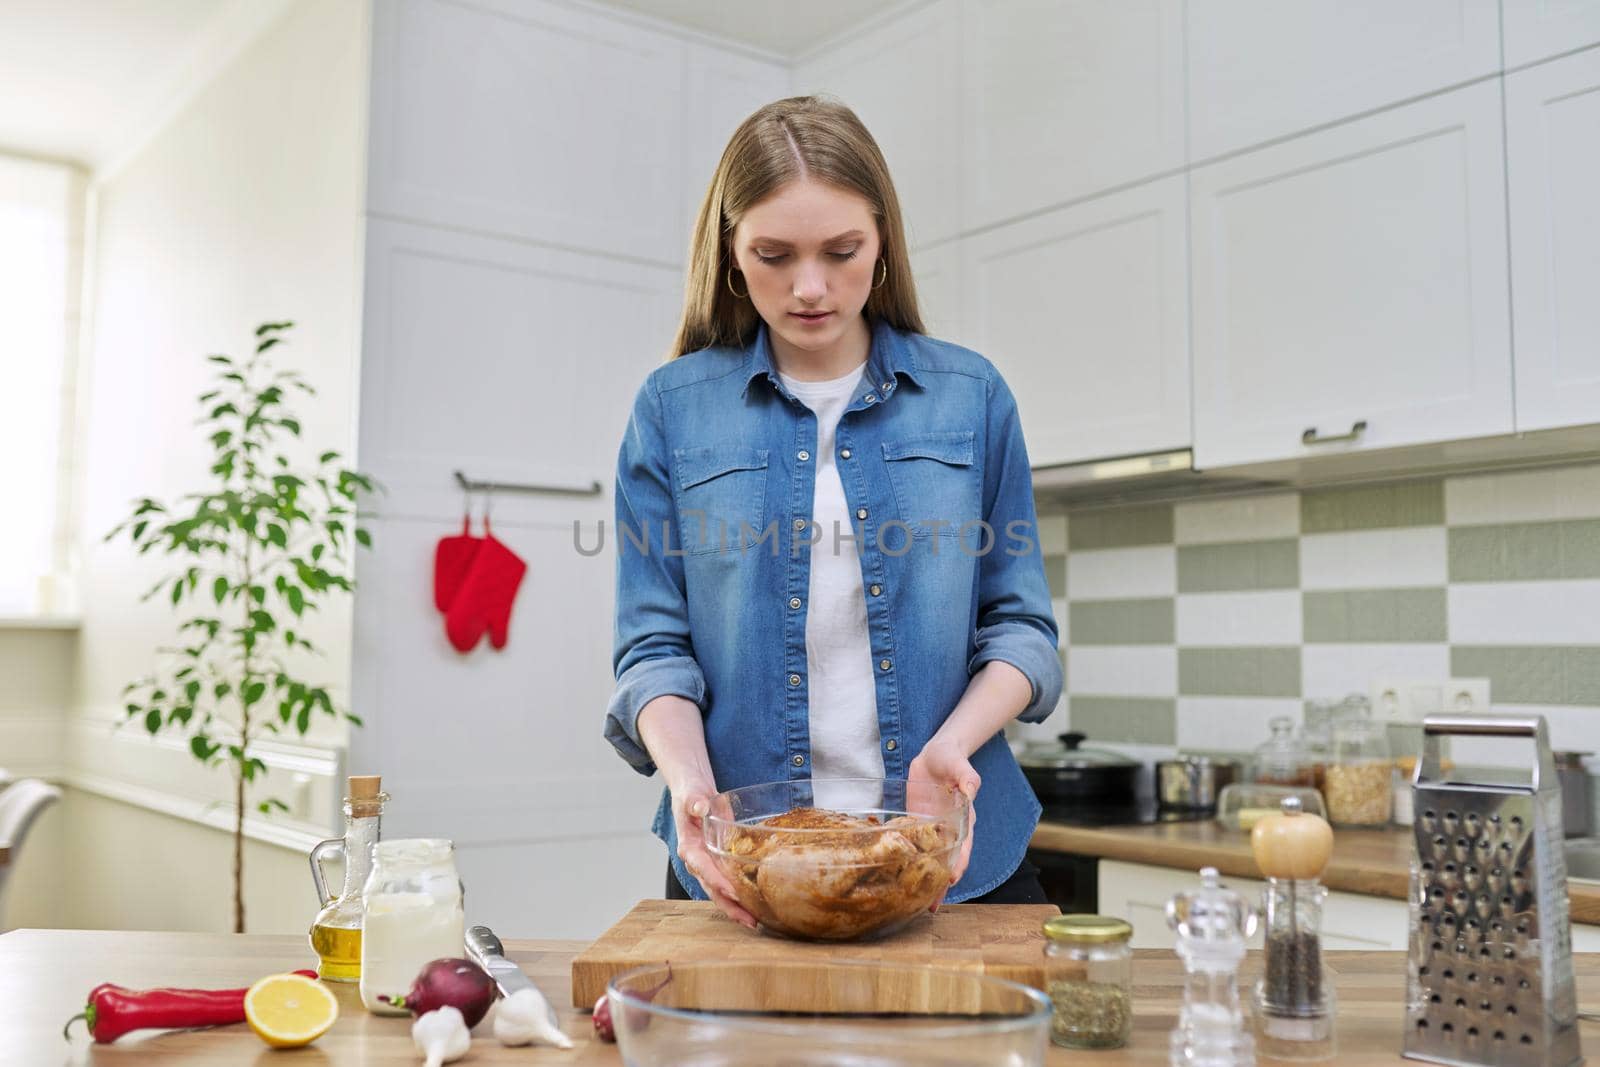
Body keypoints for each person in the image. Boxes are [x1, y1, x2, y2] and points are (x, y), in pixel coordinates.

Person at [603, 95, 1062, 927]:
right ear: (731, 253)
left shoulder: (972, 398)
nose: (809, 287)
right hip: (744, 863)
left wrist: (951, 746)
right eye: (773, 255)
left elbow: (1023, 629)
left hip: (953, 858)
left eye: (841, 251)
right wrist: (689, 783)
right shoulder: (672, 409)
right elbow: (653, 647)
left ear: (882, 241)